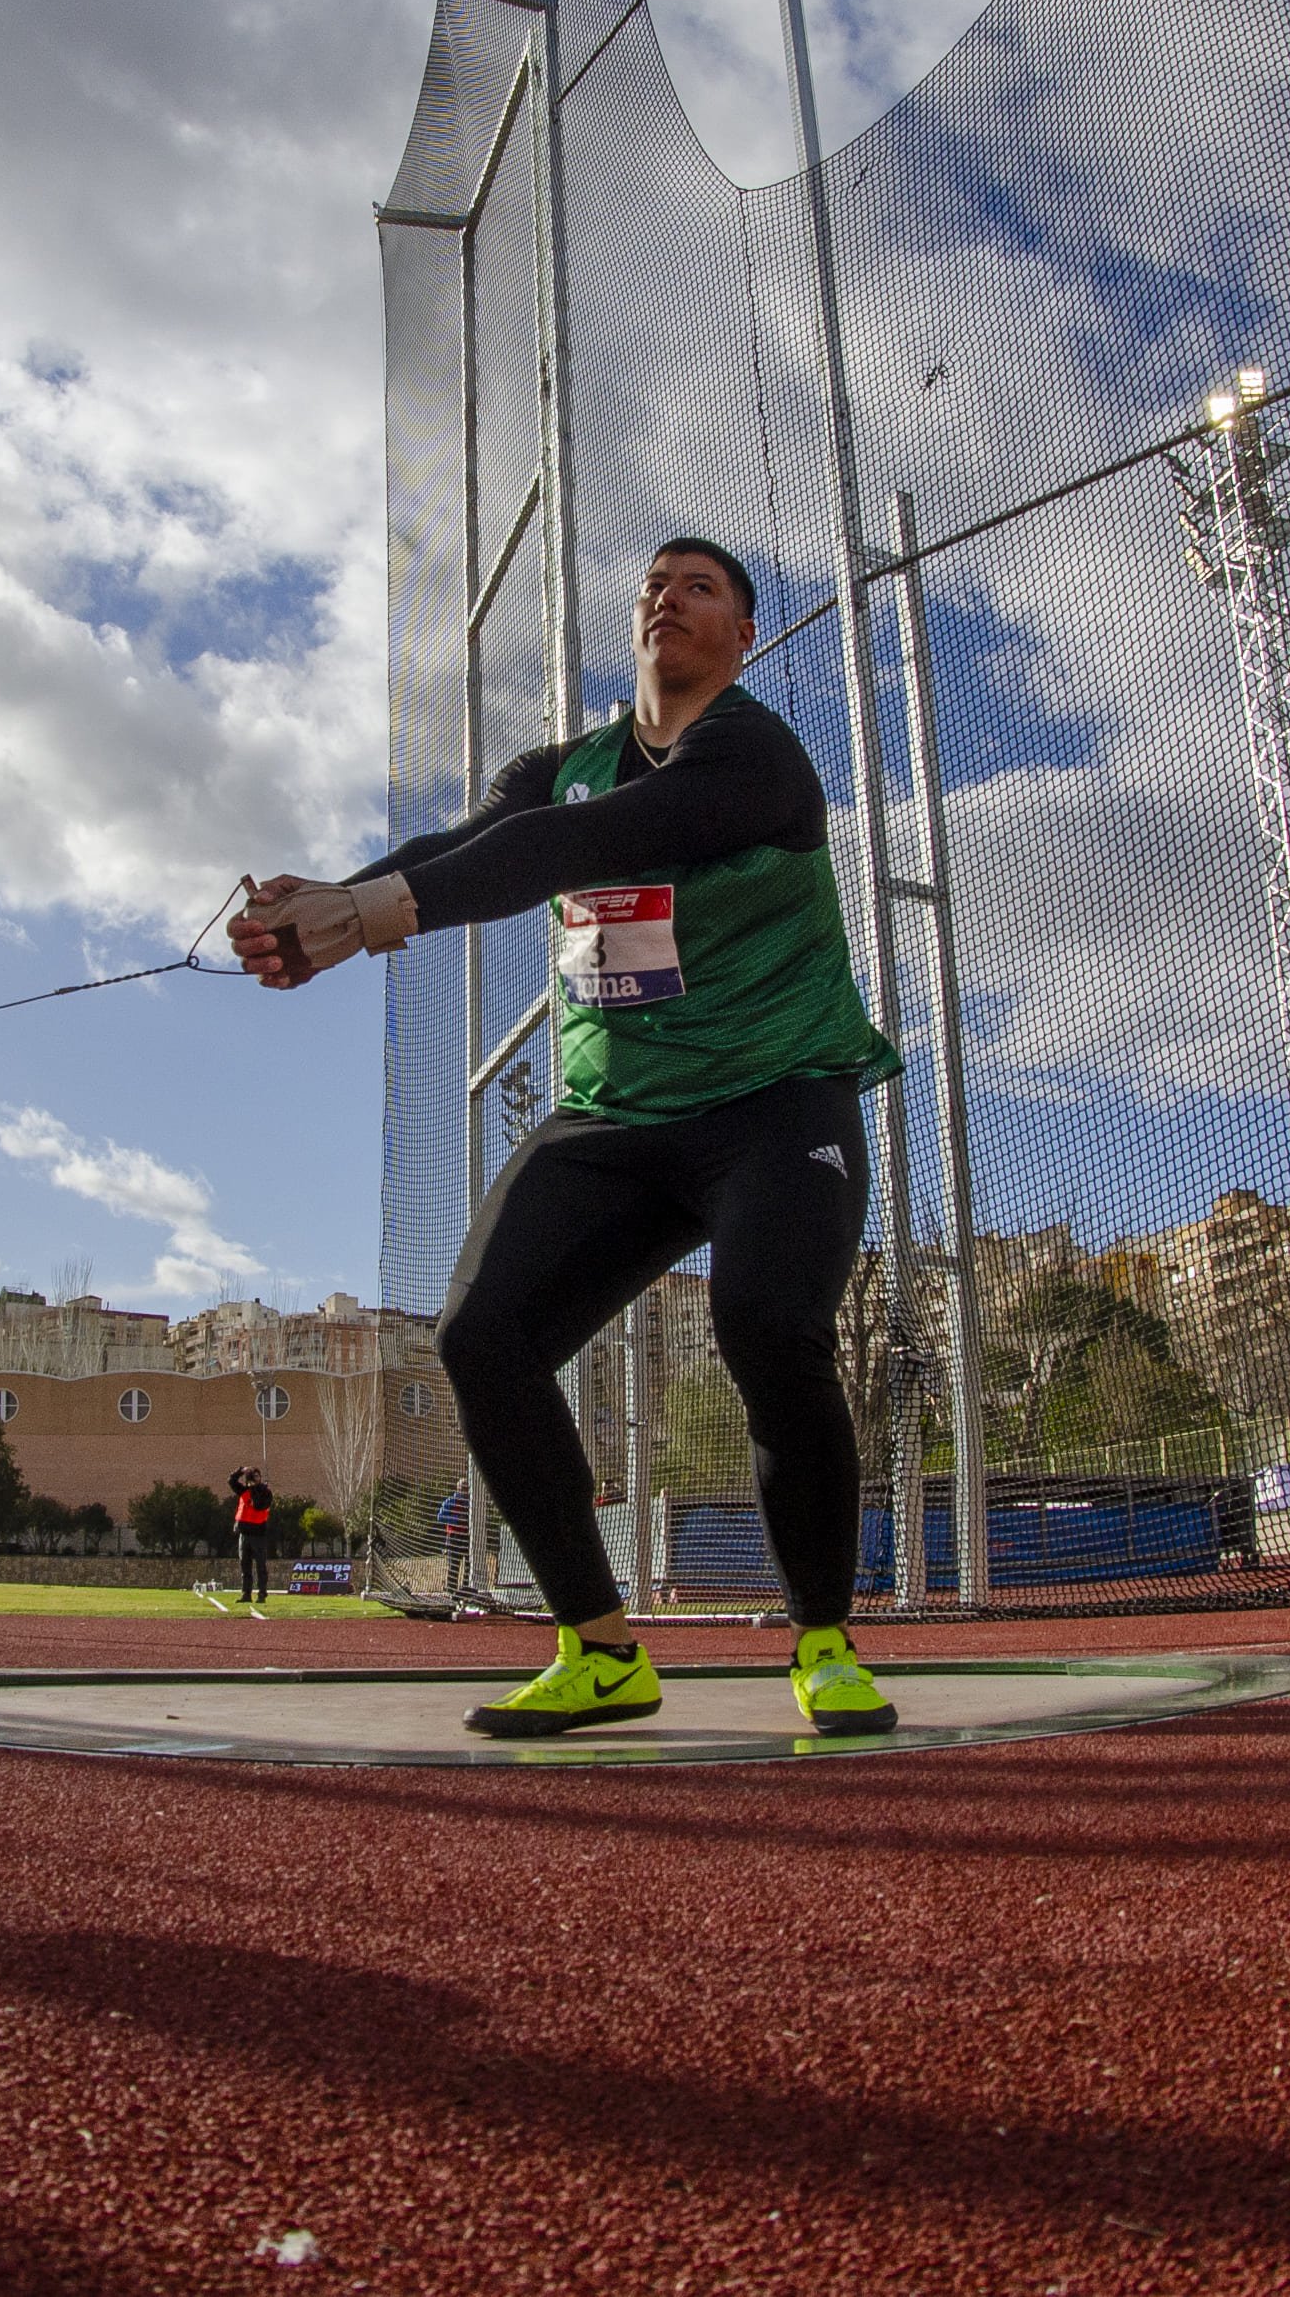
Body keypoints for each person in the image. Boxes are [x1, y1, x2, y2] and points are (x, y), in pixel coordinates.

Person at [235, 537, 904, 1740]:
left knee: (766, 1321)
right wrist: (325, 897)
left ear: (742, 634)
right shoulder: (557, 767)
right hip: (617, 1118)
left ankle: (822, 1644)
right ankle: (598, 1649)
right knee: (480, 1334)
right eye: (655, 583)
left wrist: (369, 915)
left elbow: (582, 846)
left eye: (702, 586)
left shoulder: (754, 754)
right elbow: (463, 847)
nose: (669, 597)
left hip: (776, 1099)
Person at [225, 1464, 278, 1605]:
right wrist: (240, 1470)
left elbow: (258, 1505)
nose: (255, 1479)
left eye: (257, 1476)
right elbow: (231, 1481)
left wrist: (256, 1488)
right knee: (245, 1565)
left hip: (258, 1534)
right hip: (244, 1534)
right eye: (252, 1477)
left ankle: (262, 1594)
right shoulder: (244, 1491)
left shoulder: (265, 1492)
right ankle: (246, 1593)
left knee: (261, 1566)